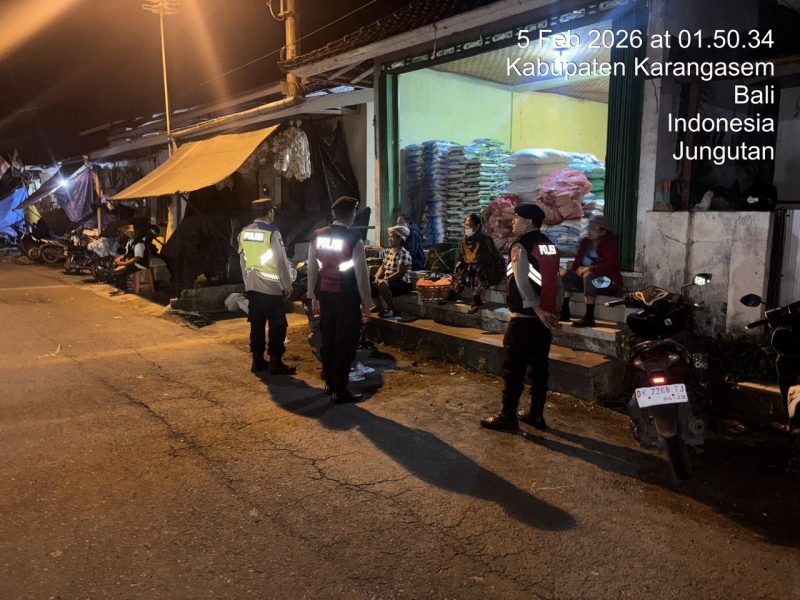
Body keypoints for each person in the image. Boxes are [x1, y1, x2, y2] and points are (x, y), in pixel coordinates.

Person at [481, 204, 562, 433]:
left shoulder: (520, 246)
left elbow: (521, 282)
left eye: (517, 218)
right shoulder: (549, 244)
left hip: (525, 318)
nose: (513, 221)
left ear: (528, 222)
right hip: (543, 320)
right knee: (539, 368)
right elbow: (557, 280)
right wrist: (553, 310)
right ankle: (536, 415)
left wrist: (538, 310)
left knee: (513, 368)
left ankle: (508, 416)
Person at [307, 196, 373, 404]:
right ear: (352, 215)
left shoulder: (317, 236)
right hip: (346, 298)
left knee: (328, 339)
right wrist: (367, 304)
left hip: (324, 296)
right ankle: (340, 390)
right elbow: (362, 276)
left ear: (334, 214)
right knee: (345, 343)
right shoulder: (354, 239)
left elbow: (312, 268)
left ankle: (329, 382)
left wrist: (312, 296)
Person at [238, 198, 296, 375]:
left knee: (257, 323)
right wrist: (287, 285)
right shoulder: (272, 232)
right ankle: (275, 362)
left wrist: (247, 283)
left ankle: (257, 361)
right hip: (270, 287)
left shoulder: (244, 232)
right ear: (270, 212)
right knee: (278, 324)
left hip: (252, 286)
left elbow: (242, 260)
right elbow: (281, 262)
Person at [559, 215, 622, 328]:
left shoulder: (609, 242)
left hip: (608, 282)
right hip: (586, 280)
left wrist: (589, 268)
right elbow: (577, 263)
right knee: (566, 274)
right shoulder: (585, 242)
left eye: (593, 227)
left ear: (603, 231)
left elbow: (611, 264)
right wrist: (572, 273)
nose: (589, 230)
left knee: (589, 276)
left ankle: (589, 317)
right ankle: (564, 311)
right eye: (590, 226)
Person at [441, 214, 504, 314]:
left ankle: (476, 298)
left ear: (477, 226)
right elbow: (463, 256)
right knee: (461, 267)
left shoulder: (484, 239)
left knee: (475, 267)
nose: (467, 228)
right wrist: (460, 264)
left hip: (487, 269)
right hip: (471, 268)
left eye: (469, 225)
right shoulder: (465, 240)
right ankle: (453, 293)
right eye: (466, 225)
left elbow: (493, 257)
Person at [372, 225, 413, 319]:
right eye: (389, 237)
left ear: (400, 239)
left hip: (402, 283)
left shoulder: (404, 253)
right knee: (369, 282)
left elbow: (400, 273)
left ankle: (392, 310)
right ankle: (380, 307)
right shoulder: (387, 252)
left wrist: (384, 280)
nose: (389, 239)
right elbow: (382, 268)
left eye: (392, 237)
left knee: (382, 284)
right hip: (390, 281)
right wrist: (376, 277)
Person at [110, 225, 149, 297]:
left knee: (121, 271)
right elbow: (126, 253)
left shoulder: (139, 243)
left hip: (140, 264)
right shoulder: (130, 242)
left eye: (132, 232)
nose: (131, 234)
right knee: (116, 266)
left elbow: (137, 258)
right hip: (134, 262)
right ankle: (119, 288)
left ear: (135, 233)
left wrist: (124, 263)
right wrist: (119, 258)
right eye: (129, 232)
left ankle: (122, 290)